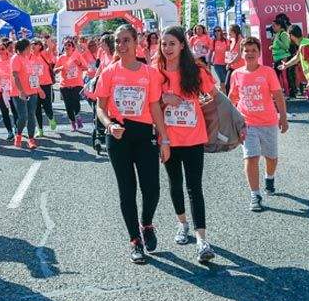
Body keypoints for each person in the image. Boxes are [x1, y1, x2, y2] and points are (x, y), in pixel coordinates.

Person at [94, 24, 169, 264]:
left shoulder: (150, 73)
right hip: (118, 135)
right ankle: (135, 240)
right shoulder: (109, 73)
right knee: (127, 190)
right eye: (118, 41)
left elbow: (155, 107)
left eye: (126, 40)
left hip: (144, 134)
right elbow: (100, 108)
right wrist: (109, 125)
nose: (121, 45)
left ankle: (146, 224)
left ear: (137, 43)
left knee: (152, 188)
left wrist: (164, 139)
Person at [157, 26, 217, 263]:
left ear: (183, 45)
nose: (167, 48)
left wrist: (195, 103)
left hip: (193, 137)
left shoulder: (196, 70)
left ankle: (202, 239)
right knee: (175, 183)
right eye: (164, 44)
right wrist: (164, 99)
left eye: (172, 43)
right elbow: (150, 103)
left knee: (195, 187)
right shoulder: (156, 72)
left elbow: (213, 95)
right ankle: (182, 223)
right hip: (168, 139)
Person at [230, 38, 288, 212]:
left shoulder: (268, 72)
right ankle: (255, 195)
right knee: (251, 157)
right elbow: (232, 98)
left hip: (268, 122)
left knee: (271, 157)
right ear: (241, 53)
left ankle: (269, 177)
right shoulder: (236, 74)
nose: (250, 53)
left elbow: (278, 95)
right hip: (247, 123)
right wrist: (231, 119)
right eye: (246, 50)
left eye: (253, 50)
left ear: (259, 53)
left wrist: (283, 117)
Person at [278, 24, 309, 103]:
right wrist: (286, 65)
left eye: (288, 36)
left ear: (291, 36)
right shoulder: (305, 42)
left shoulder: (304, 46)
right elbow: (297, 57)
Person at [10, 38, 41, 150]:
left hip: (32, 91)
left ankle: (31, 139)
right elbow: (15, 76)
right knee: (23, 116)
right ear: (25, 48)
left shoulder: (27, 58)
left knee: (31, 115)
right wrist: (21, 91)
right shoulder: (16, 58)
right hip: (19, 93)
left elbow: (32, 76)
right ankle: (18, 135)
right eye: (29, 47)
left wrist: (39, 89)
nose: (30, 49)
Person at [54, 38, 86, 131]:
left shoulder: (77, 56)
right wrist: (60, 68)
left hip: (77, 84)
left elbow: (85, 67)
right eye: (65, 45)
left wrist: (79, 63)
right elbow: (54, 70)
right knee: (68, 105)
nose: (67, 46)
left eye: (69, 45)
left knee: (76, 102)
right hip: (65, 85)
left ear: (73, 47)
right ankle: (72, 122)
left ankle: (78, 116)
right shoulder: (61, 58)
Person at [0, 40, 19, 141]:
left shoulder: (12, 59)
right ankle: (9, 132)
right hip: (1, 90)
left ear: (6, 49)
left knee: (15, 111)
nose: (1, 51)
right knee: (4, 112)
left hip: (12, 90)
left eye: (2, 49)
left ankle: (17, 129)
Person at [31, 39, 57, 136]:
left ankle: (51, 118)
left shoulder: (44, 54)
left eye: (35, 44)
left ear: (40, 46)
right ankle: (40, 130)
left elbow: (51, 47)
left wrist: (47, 39)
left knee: (47, 105)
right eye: (32, 44)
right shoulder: (29, 56)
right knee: (36, 108)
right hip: (34, 85)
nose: (33, 45)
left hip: (46, 84)